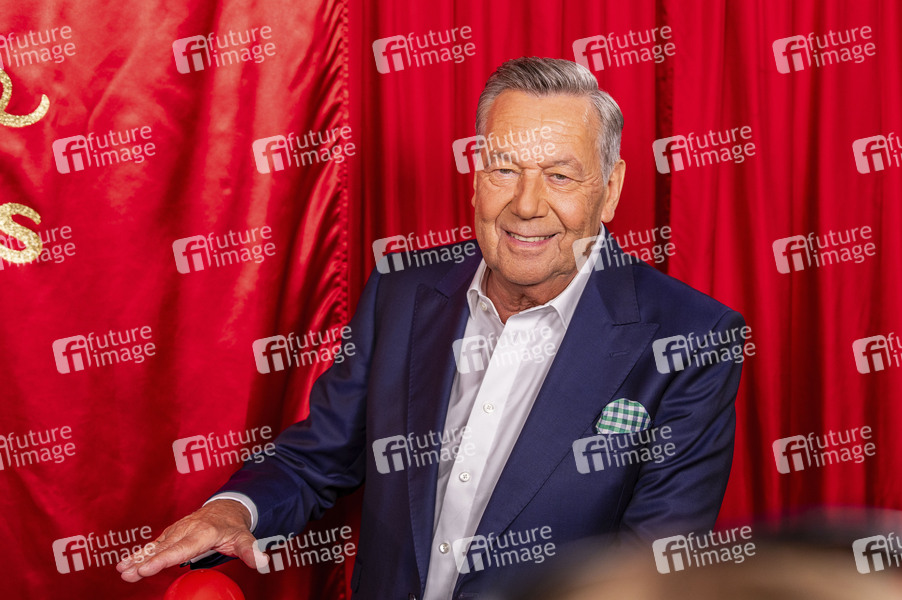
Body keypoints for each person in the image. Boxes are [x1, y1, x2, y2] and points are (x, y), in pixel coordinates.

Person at [118, 56, 746, 600]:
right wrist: (236, 510)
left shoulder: (691, 341)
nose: (527, 205)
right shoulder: (401, 291)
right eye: (504, 170)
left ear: (609, 190)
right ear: (476, 178)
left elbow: (648, 571)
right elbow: (322, 453)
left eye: (560, 175)